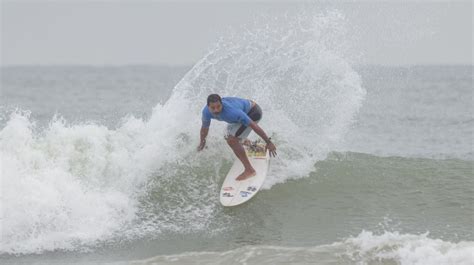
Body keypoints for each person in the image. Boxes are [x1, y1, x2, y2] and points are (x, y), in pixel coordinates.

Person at [197, 94, 277, 181]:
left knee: (232, 140)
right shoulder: (206, 112)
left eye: (218, 106)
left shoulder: (232, 112)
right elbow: (204, 128)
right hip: (240, 115)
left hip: (253, 113)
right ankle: (256, 147)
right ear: (208, 106)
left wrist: (268, 142)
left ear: (222, 104)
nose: (216, 110)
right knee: (227, 135)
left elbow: (253, 126)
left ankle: (249, 170)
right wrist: (202, 143)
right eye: (213, 108)